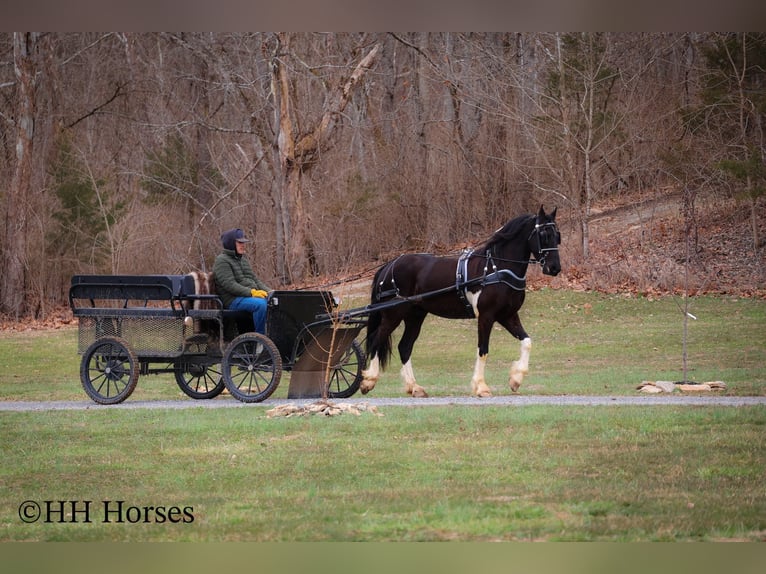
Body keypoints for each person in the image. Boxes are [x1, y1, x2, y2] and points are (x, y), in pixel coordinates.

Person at [213, 228, 270, 334]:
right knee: (260, 304)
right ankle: (260, 340)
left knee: (273, 302)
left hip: (245, 297)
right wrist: (252, 292)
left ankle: (273, 336)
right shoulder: (222, 261)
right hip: (232, 300)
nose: (243, 245)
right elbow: (230, 285)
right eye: (240, 242)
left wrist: (270, 292)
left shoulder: (242, 260)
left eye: (244, 242)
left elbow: (254, 279)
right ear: (231, 243)